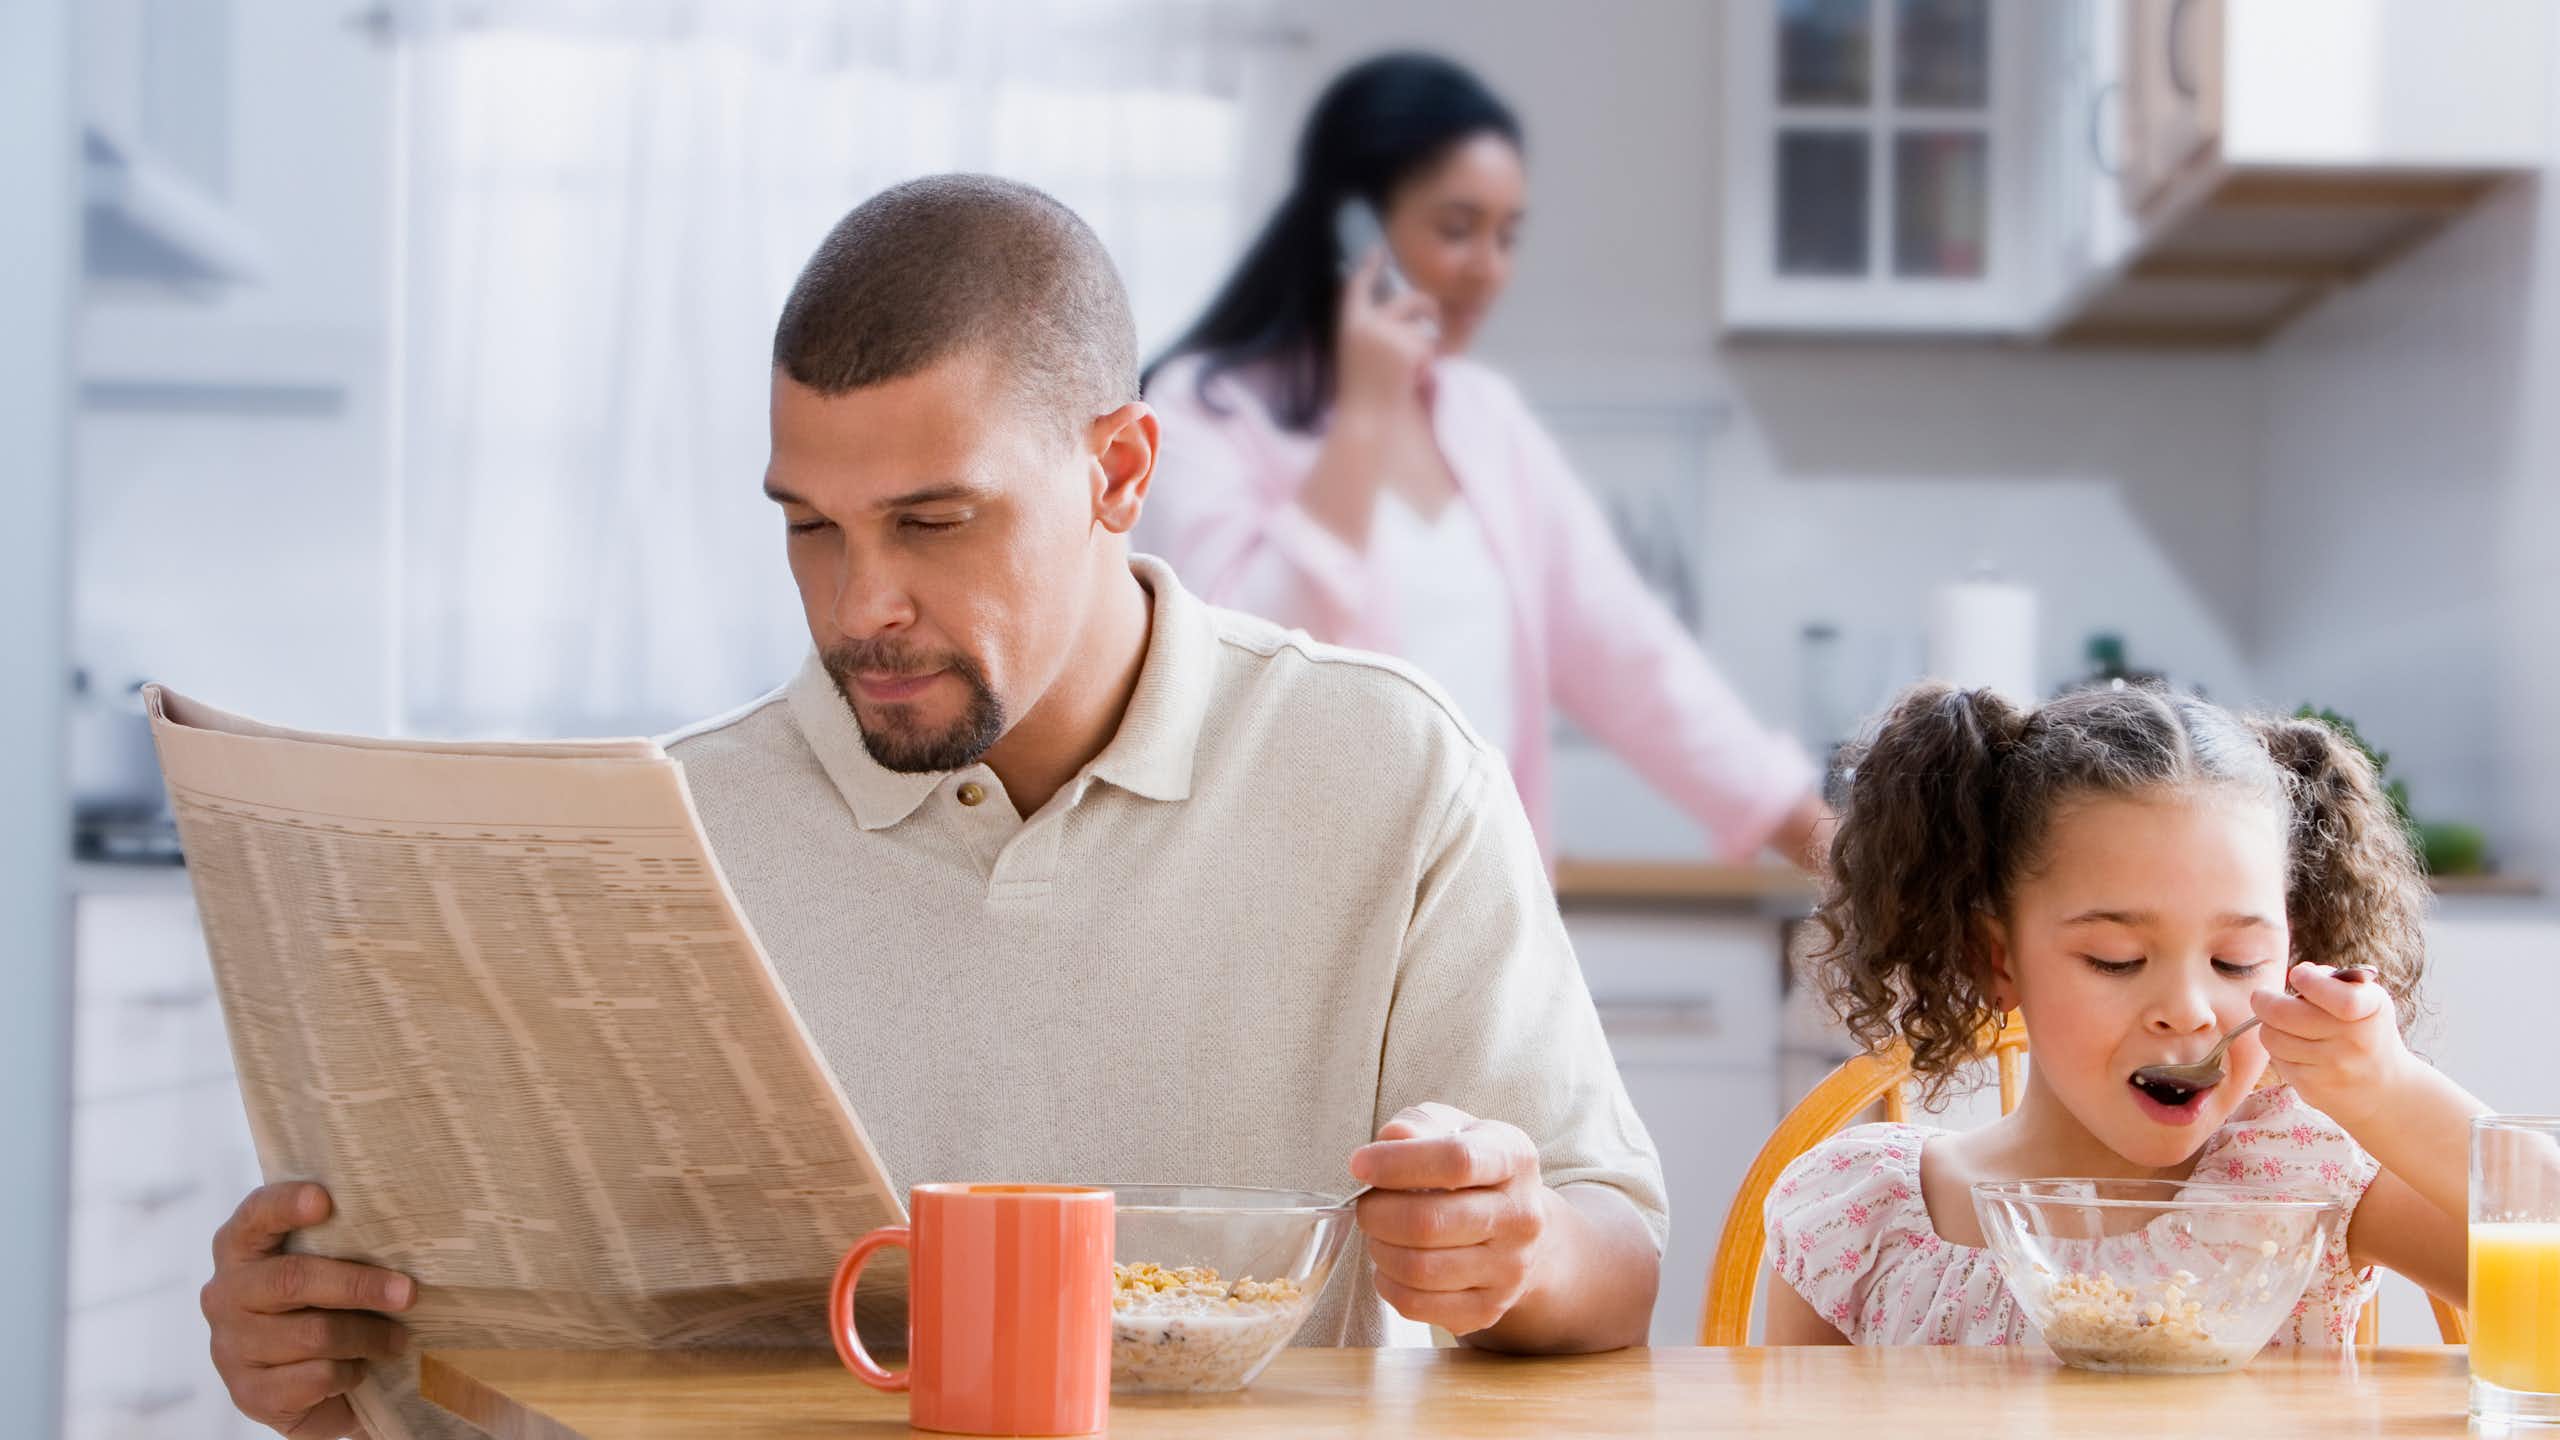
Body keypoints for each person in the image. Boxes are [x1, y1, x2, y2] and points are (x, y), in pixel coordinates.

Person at [196, 175, 1668, 1440]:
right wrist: (326, 1370)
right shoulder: (673, 829)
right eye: (809, 529)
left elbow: (1618, 1248)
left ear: (1119, 473)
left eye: (933, 523)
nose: (863, 607)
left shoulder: (1385, 769)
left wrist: (1513, 1247)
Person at [1139, 53, 1825, 870]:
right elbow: (1232, 674)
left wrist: (1822, 838)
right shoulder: (1204, 409)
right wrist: (1362, 415)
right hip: (1289, 906)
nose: (1489, 268)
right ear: (1351, 227)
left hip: (1480, 910)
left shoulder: (1487, 421)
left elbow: (1633, 660)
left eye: (1507, 235)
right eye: (1456, 228)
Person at [1763, 682, 2481, 1346]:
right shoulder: (1864, 1218)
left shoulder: (2302, 1181)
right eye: (2115, 958)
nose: (2188, 1011)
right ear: (1998, 960)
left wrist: (2392, 1092)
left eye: (2236, 962)